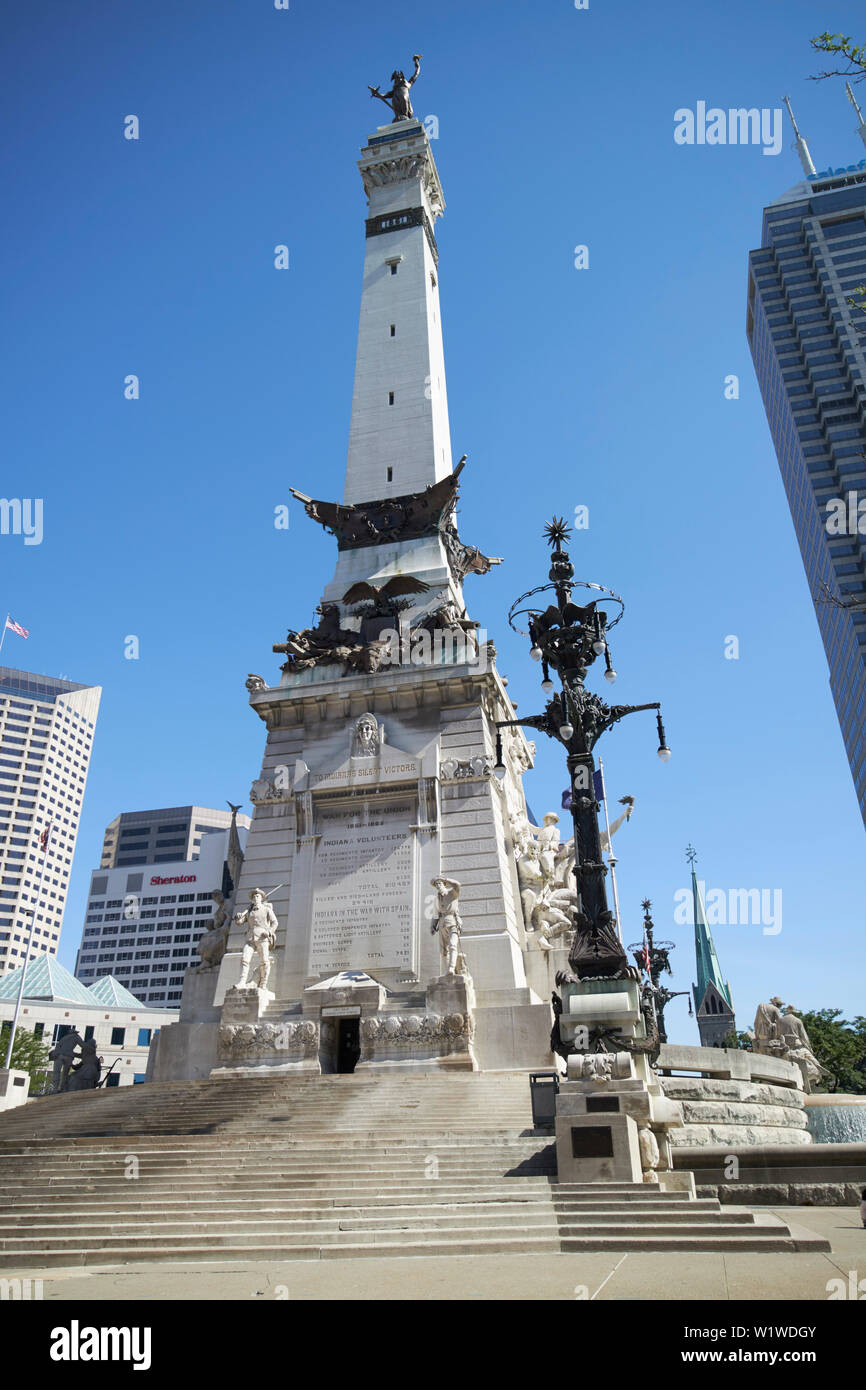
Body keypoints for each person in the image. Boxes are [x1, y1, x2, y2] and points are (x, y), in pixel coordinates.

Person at [235, 888, 278, 990]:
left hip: (263, 937)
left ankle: (263, 983)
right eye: (254, 896)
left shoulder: (267, 909)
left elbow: (275, 922)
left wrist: (269, 932)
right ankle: (242, 981)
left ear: (261, 898)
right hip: (250, 938)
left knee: (264, 961)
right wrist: (238, 917)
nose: (255, 897)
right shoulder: (249, 911)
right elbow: (239, 922)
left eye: (257, 896)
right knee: (245, 959)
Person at [49, 1027, 83, 1093]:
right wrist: (82, 1055)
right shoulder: (76, 1037)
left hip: (58, 1056)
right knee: (65, 1073)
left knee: (56, 1072)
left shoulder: (63, 1038)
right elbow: (83, 1045)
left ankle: (55, 1089)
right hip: (68, 1057)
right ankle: (62, 1088)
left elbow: (58, 1048)